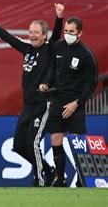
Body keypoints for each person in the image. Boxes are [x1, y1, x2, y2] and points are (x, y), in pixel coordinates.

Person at [0, 3, 64, 186]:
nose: (32, 35)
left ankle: (40, 180)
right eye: (30, 32)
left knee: (33, 142)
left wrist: (59, 17)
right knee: (19, 145)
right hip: (28, 105)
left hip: (43, 104)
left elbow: (57, 35)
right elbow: (9, 38)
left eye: (36, 32)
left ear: (44, 35)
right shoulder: (27, 49)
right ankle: (49, 171)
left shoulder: (49, 49)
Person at [39, 17, 98, 187]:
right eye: (66, 31)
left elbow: (91, 83)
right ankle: (60, 179)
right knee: (55, 139)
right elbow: (53, 69)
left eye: (71, 32)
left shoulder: (86, 55)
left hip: (75, 104)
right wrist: (48, 84)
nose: (67, 34)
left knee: (78, 142)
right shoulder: (58, 47)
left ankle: (82, 179)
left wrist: (77, 103)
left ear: (80, 33)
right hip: (58, 100)